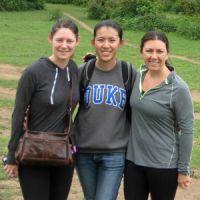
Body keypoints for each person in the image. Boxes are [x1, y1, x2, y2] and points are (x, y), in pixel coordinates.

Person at [4, 18, 80, 200]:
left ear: (77, 41)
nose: (64, 45)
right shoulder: (34, 72)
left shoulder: (74, 69)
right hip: (34, 152)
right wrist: (12, 155)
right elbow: (18, 114)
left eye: (69, 41)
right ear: (50, 39)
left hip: (63, 153)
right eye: (59, 40)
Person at [124, 30, 194, 200]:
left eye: (159, 51)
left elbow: (187, 130)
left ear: (167, 53)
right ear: (141, 51)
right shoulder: (137, 77)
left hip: (164, 166)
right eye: (149, 50)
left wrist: (183, 170)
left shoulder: (178, 88)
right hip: (133, 162)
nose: (154, 56)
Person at [73, 19, 136, 200]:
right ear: (93, 42)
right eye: (101, 40)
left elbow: (147, 97)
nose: (106, 45)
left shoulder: (128, 72)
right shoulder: (83, 71)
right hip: (84, 152)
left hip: (115, 153)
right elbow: (65, 104)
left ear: (121, 43)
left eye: (112, 40)